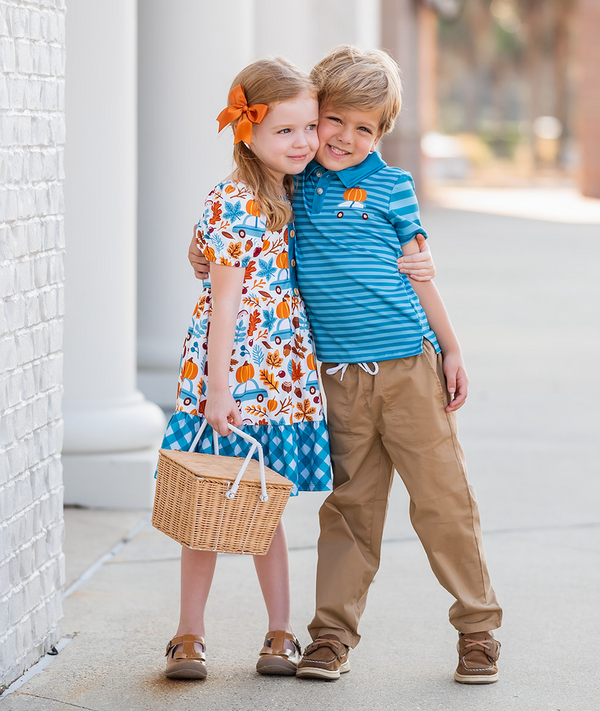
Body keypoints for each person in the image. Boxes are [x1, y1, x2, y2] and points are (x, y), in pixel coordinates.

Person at [191, 45, 502, 685]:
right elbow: (225, 232)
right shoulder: (291, 183)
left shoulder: (393, 187)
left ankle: (478, 631)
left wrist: (452, 346)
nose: (345, 138)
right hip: (338, 380)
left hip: (409, 367)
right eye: (335, 121)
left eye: (366, 128)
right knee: (351, 509)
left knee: (443, 501)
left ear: (383, 131)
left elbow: (419, 273)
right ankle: (330, 638)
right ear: (316, 114)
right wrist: (196, 254)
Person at [160, 57, 332, 681]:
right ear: (248, 132)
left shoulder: (295, 190)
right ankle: (188, 634)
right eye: (286, 130)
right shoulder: (236, 199)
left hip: (281, 377)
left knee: (265, 510)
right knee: (206, 507)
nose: (304, 142)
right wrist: (218, 390)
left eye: (309, 127)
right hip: (234, 377)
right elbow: (225, 304)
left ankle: (281, 633)